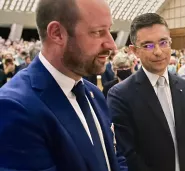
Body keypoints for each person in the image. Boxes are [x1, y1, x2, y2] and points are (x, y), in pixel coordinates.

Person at [0, 0, 127, 170]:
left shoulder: (93, 93)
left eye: (109, 30)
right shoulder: (15, 107)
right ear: (57, 33)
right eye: (97, 32)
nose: (111, 44)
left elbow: (112, 158)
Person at [107, 13, 185, 171]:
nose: (158, 52)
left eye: (163, 42)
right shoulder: (121, 95)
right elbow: (127, 154)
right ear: (134, 51)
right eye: (148, 45)